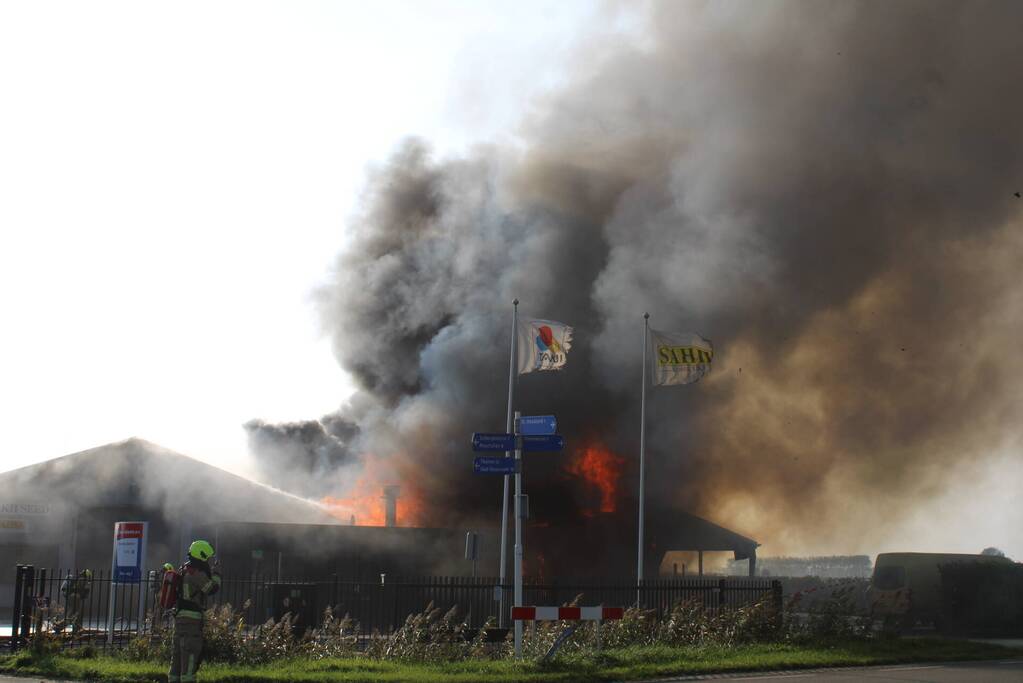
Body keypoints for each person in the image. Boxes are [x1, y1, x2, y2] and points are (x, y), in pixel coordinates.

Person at [168, 541, 221, 683]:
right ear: (201, 556)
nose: (208, 562)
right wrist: (216, 574)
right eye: (207, 559)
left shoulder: (184, 569)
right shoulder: (195, 573)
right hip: (191, 623)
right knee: (190, 659)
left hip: (180, 619)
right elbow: (211, 589)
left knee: (177, 660)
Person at [60, 569, 92, 634]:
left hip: (71, 597)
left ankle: (74, 628)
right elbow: (84, 591)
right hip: (75, 597)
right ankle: (73, 628)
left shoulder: (75, 578)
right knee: (76, 613)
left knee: (73, 612)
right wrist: (80, 594)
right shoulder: (82, 580)